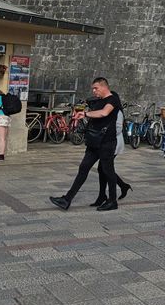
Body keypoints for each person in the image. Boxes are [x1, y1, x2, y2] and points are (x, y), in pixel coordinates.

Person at [50, 77, 122, 212]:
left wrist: (85, 114)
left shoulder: (113, 99)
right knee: (83, 168)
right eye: (93, 89)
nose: (94, 91)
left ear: (104, 86)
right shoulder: (98, 100)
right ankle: (66, 200)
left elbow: (104, 113)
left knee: (108, 171)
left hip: (107, 142)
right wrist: (82, 113)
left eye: (96, 88)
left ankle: (112, 201)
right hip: (94, 142)